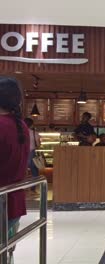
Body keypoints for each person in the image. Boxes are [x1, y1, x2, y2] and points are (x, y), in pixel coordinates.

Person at [0, 77, 30, 263]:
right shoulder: (22, 126)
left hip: (2, 201)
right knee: (6, 253)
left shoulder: (2, 125)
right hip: (14, 202)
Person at [24, 118, 41, 192]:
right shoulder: (35, 133)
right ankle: (32, 188)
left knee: (23, 171)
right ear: (31, 125)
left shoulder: (20, 132)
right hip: (31, 153)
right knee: (34, 171)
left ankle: (23, 188)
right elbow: (38, 145)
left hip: (22, 153)